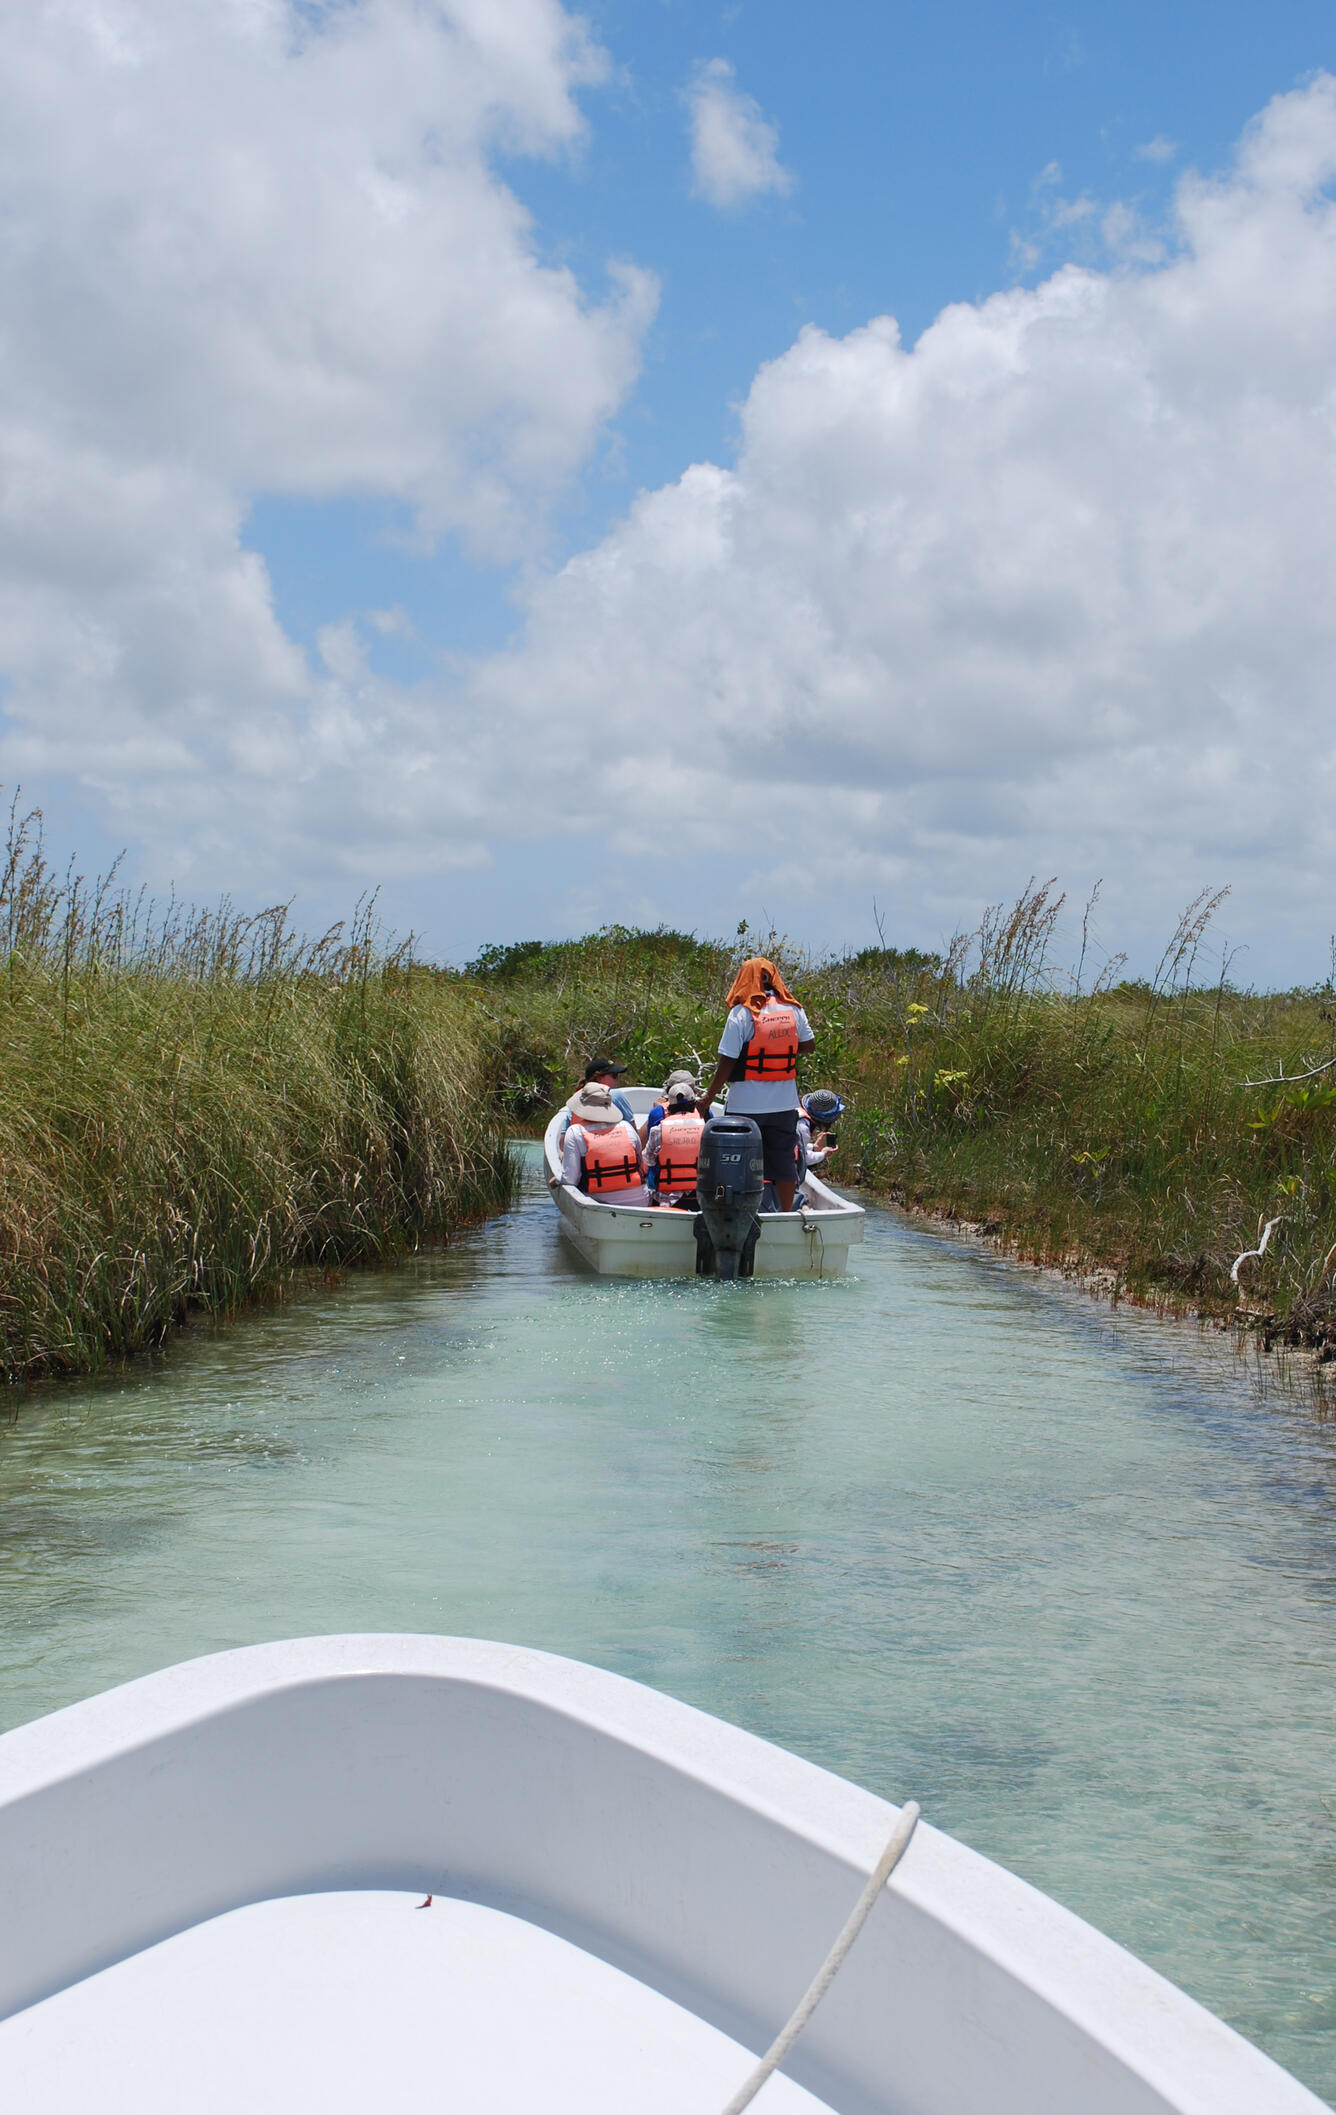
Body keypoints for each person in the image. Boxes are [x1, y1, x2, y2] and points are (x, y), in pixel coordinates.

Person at [697, 957, 815, 1213]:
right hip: (784, 1105)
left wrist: (708, 1098)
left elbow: (727, 1060)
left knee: (738, 1161)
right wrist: (781, 1048)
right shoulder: (794, 1010)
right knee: (784, 1160)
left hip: (745, 1107)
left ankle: (741, 1213)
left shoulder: (741, 1013)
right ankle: (785, 1212)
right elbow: (809, 1045)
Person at [560, 1083, 650, 1204]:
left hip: (598, 1202)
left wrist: (559, 1180)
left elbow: (571, 1179)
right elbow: (640, 1164)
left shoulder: (575, 1132)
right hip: (640, 1200)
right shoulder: (626, 1127)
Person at [555, 1055, 636, 1149]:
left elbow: (562, 1143)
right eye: (614, 1076)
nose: (618, 1079)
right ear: (599, 1078)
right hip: (614, 1154)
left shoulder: (577, 1099)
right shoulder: (617, 1095)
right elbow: (633, 1134)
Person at [644, 1082, 705, 1208]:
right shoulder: (705, 1128)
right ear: (693, 1104)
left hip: (666, 1197)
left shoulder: (658, 1129)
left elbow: (648, 1160)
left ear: (669, 1106)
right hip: (698, 1194)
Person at [636, 1067, 699, 1144]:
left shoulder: (658, 1112)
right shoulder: (705, 1112)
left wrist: (660, 1110)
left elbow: (640, 1144)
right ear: (694, 1092)